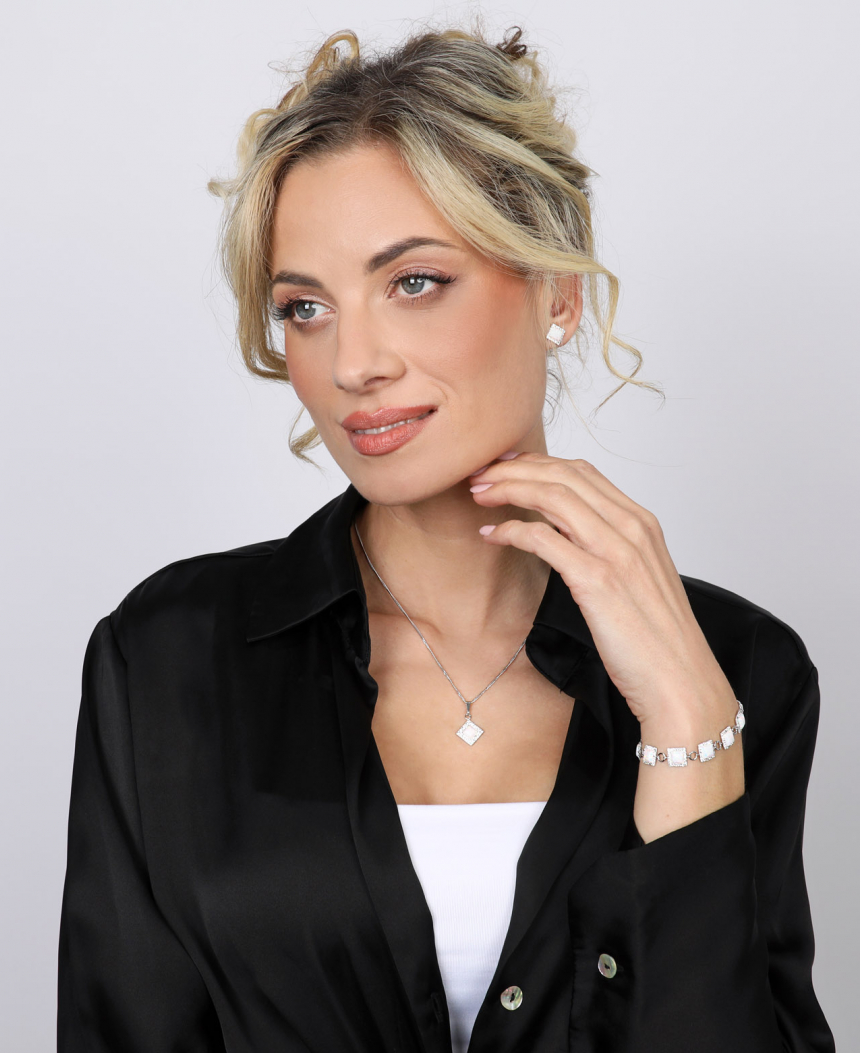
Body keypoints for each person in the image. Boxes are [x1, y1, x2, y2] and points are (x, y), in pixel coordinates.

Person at [57, 24, 835, 1053]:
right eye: (306, 307)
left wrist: (690, 720)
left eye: (414, 281)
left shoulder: (740, 669)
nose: (353, 363)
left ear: (558, 292)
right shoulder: (171, 657)